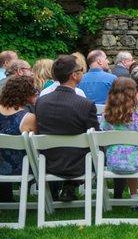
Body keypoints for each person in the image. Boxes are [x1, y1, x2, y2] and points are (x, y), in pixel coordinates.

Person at [35, 55, 99, 201]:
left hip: (47, 162)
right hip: (79, 165)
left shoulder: (41, 102)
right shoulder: (85, 104)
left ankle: (59, 190)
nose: (83, 72)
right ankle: (70, 186)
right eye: (81, 70)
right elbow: (95, 137)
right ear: (73, 75)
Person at [100, 77, 138, 202]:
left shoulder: (106, 115)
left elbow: (102, 132)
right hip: (136, 163)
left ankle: (134, 197)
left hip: (113, 162)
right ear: (133, 94)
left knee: (130, 152)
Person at [0, 76, 37, 202]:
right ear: (26, 94)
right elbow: (35, 146)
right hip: (20, 168)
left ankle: (5, 196)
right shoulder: (28, 118)